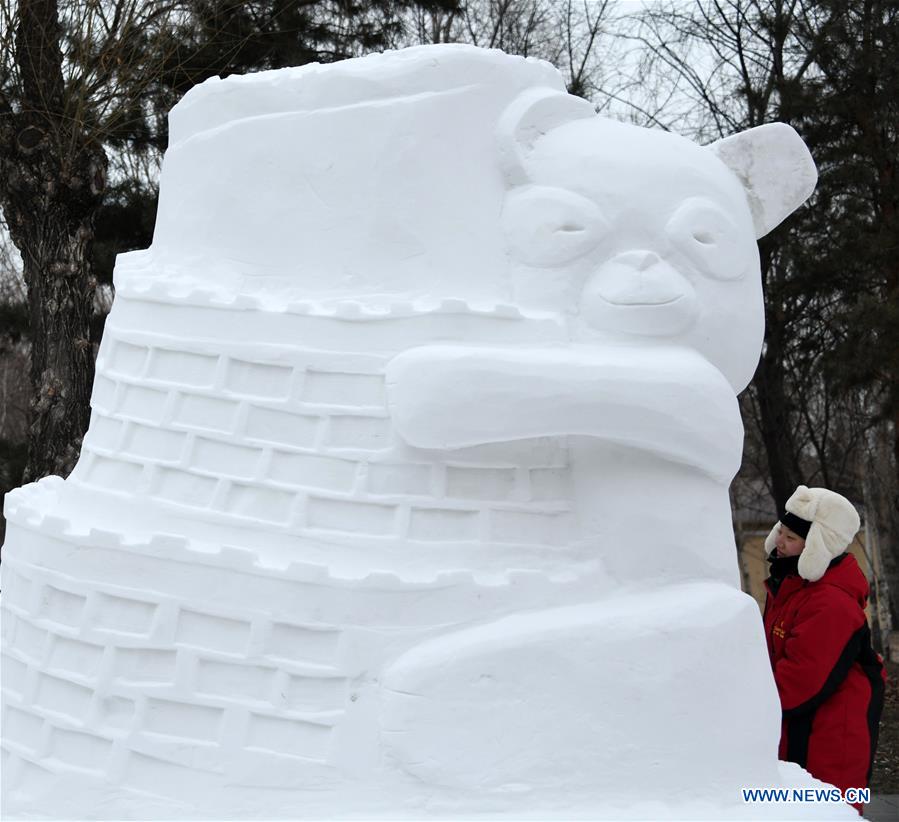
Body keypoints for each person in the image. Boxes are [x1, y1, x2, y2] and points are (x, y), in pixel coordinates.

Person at [763, 485, 887, 814]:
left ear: (818, 546)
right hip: (802, 727)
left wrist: (749, 705)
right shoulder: (791, 586)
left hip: (830, 736)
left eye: (790, 537)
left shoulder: (829, 602)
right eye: (781, 532)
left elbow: (799, 681)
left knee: (826, 812)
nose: (779, 542)